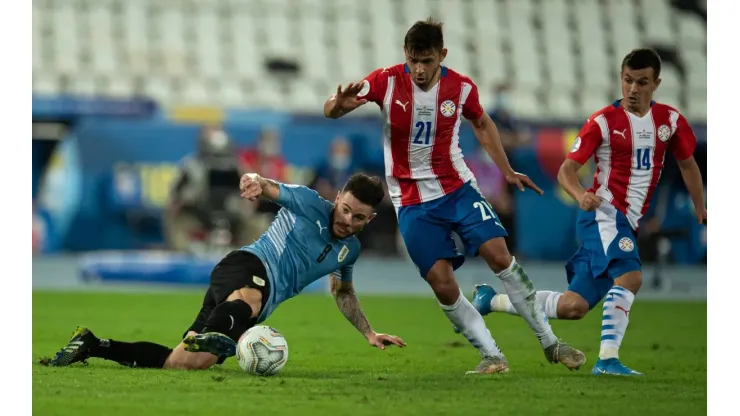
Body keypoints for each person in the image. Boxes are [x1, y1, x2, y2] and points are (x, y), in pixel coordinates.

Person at [323, 18, 585, 374]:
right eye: (413, 59)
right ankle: (492, 355)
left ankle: (551, 343)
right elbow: (335, 109)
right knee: (442, 284)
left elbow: (482, 123)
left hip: (456, 188)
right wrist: (337, 104)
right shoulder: (386, 80)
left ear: (441, 55)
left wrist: (506, 170)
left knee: (499, 256)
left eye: (427, 61)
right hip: (411, 200)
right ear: (405, 54)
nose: (418, 68)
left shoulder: (460, 88)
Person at [472, 48, 707, 376]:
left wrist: (701, 205)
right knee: (631, 276)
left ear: (656, 83)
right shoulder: (603, 122)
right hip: (604, 213)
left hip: (627, 221)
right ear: (620, 79)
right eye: (628, 81)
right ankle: (608, 360)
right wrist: (581, 195)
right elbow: (566, 171)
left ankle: (491, 300)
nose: (633, 89)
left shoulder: (670, 121)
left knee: (574, 306)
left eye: (642, 82)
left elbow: (688, 164)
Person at [46, 173, 406, 370]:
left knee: (183, 363)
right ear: (339, 196)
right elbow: (267, 185)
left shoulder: (350, 250)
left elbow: (342, 292)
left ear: (370, 218)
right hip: (246, 268)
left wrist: (368, 332)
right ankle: (215, 334)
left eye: (358, 217)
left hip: (250, 306)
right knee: (249, 297)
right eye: (345, 209)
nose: (347, 220)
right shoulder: (309, 201)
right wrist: (252, 181)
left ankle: (93, 344)